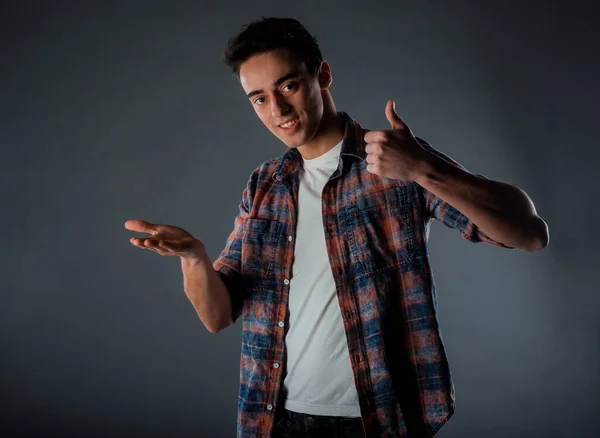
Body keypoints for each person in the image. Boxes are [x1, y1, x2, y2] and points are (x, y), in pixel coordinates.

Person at [125, 17, 549, 438]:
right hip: (277, 418)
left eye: (288, 86)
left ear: (322, 74)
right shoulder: (264, 185)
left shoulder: (393, 161)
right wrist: (193, 258)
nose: (278, 110)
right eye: (259, 98)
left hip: (377, 420)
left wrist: (425, 168)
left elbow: (528, 234)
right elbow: (217, 316)